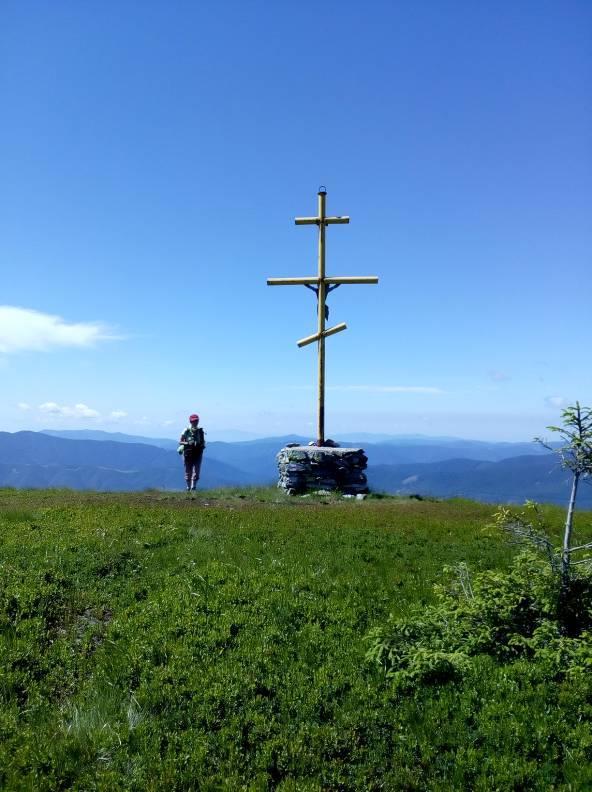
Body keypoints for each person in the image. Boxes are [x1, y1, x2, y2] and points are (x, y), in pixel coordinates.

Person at [178, 413, 206, 494]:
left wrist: (201, 446)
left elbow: (203, 442)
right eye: (194, 421)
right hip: (188, 452)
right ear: (190, 421)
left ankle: (193, 488)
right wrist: (188, 443)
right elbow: (180, 442)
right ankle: (188, 487)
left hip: (197, 452)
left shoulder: (200, 430)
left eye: (196, 421)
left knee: (196, 470)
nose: (195, 422)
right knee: (188, 470)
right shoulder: (186, 430)